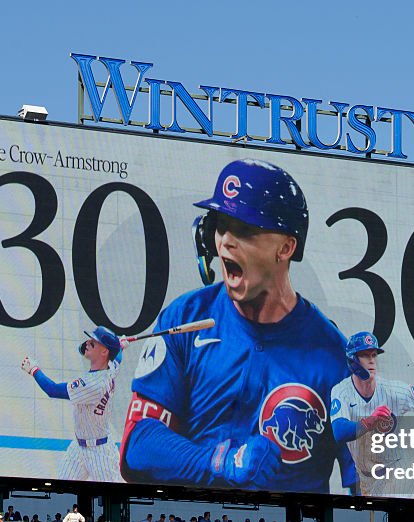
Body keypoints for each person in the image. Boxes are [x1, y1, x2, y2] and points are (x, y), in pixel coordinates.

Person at [119, 158, 355, 494]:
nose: (226, 241)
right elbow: (138, 443)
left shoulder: (336, 357)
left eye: (245, 230)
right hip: (187, 517)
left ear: (286, 247)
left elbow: (368, 485)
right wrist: (221, 463)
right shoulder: (184, 318)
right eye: (221, 226)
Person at [329, 332, 414, 495]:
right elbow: (339, 431)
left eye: (374, 355)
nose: (372, 360)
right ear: (353, 360)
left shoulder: (392, 391)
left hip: (395, 468)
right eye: (365, 355)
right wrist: (370, 422)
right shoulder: (341, 391)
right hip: (366, 476)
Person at [22, 326, 124, 482]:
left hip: (101, 453)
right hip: (78, 447)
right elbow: (117, 359)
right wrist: (120, 346)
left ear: (104, 352)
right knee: (60, 489)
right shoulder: (110, 368)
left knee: (114, 495)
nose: (88, 343)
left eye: (93, 342)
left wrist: (34, 369)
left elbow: (53, 390)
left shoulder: (93, 384)